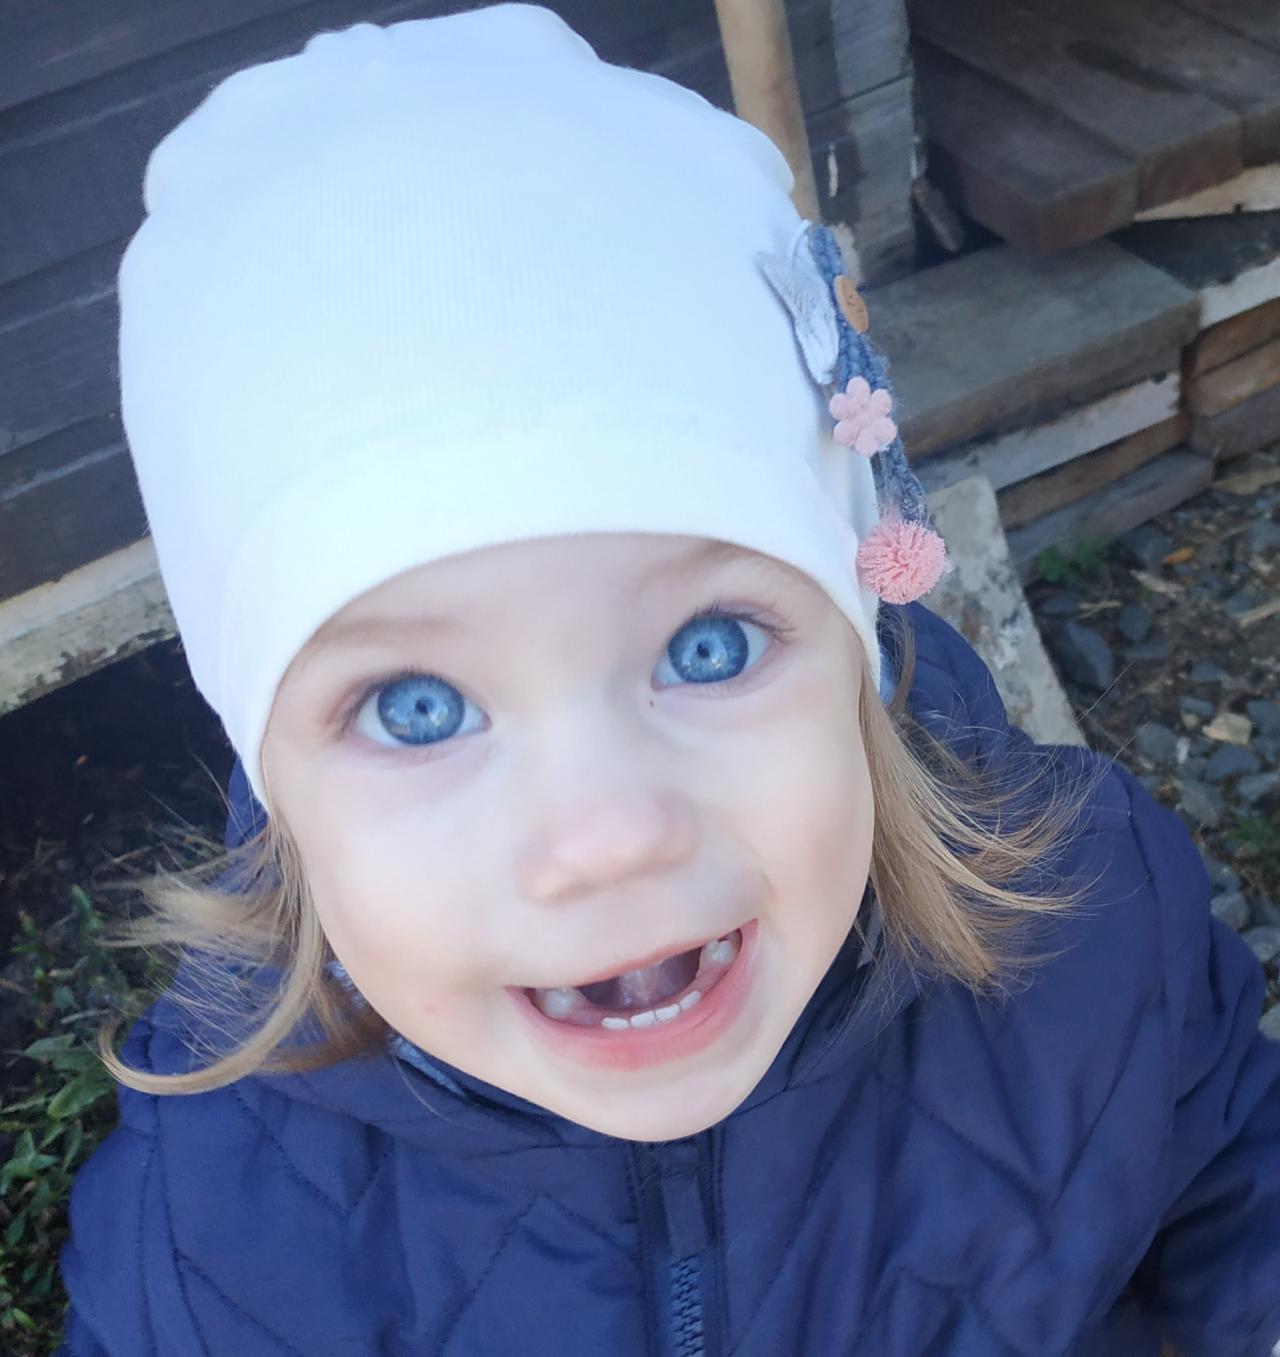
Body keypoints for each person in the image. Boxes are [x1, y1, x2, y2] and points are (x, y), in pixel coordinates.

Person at [57, 6, 1280, 1355]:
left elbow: (1230, 1160)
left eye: (711, 646)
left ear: (855, 642)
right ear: (272, 770)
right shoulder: (212, 1226)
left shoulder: (1092, 920)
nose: (611, 834)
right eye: (419, 708)